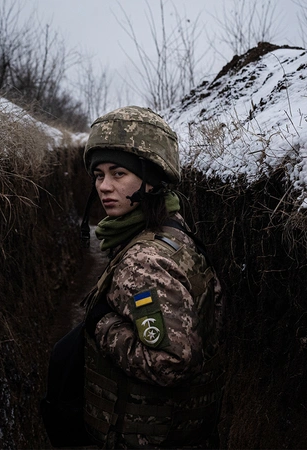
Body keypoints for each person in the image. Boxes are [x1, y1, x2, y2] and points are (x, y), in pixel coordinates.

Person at [80, 106, 225, 449]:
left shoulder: (145, 261)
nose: (104, 186)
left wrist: (103, 325)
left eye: (118, 173)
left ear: (152, 179)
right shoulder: (173, 232)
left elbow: (170, 362)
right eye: (99, 175)